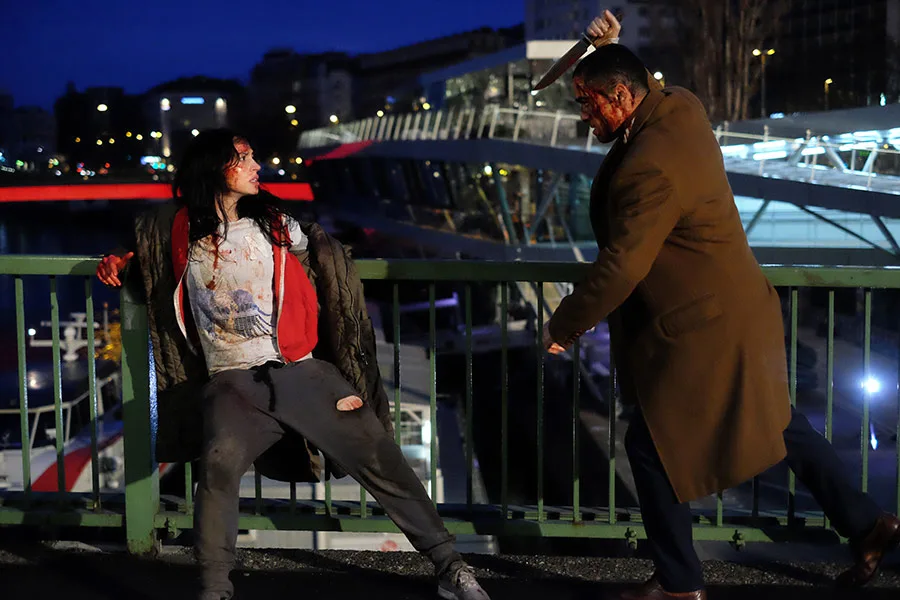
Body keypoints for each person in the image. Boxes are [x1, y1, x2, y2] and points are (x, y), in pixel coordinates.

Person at [542, 11, 900, 600]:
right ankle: (868, 526)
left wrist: (565, 323)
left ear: (622, 96)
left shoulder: (651, 162)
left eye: (588, 102)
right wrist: (609, 48)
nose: (584, 115)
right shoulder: (679, 107)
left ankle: (680, 583)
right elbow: (644, 83)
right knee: (779, 424)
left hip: (702, 328)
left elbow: (624, 264)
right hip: (736, 311)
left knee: (651, 446)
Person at [97, 129, 490, 600]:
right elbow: (143, 254)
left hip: (300, 369)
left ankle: (450, 566)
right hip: (231, 383)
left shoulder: (276, 224)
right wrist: (118, 262)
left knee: (380, 456)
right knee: (218, 466)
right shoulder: (176, 229)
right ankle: (214, 588)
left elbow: (322, 263)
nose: (256, 165)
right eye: (244, 158)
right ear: (214, 168)